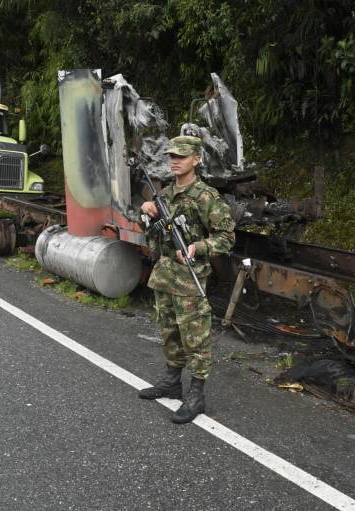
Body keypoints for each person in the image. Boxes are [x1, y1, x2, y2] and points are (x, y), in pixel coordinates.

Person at [138, 135, 235, 424]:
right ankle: (171, 381)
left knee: (196, 338)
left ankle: (196, 394)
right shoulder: (165, 194)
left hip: (190, 281)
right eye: (172, 156)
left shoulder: (206, 196)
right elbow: (153, 234)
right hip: (165, 275)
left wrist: (198, 247)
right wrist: (145, 214)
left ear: (197, 159)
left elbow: (227, 237)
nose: (175, 160)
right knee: (169, 332)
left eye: (181, 156)